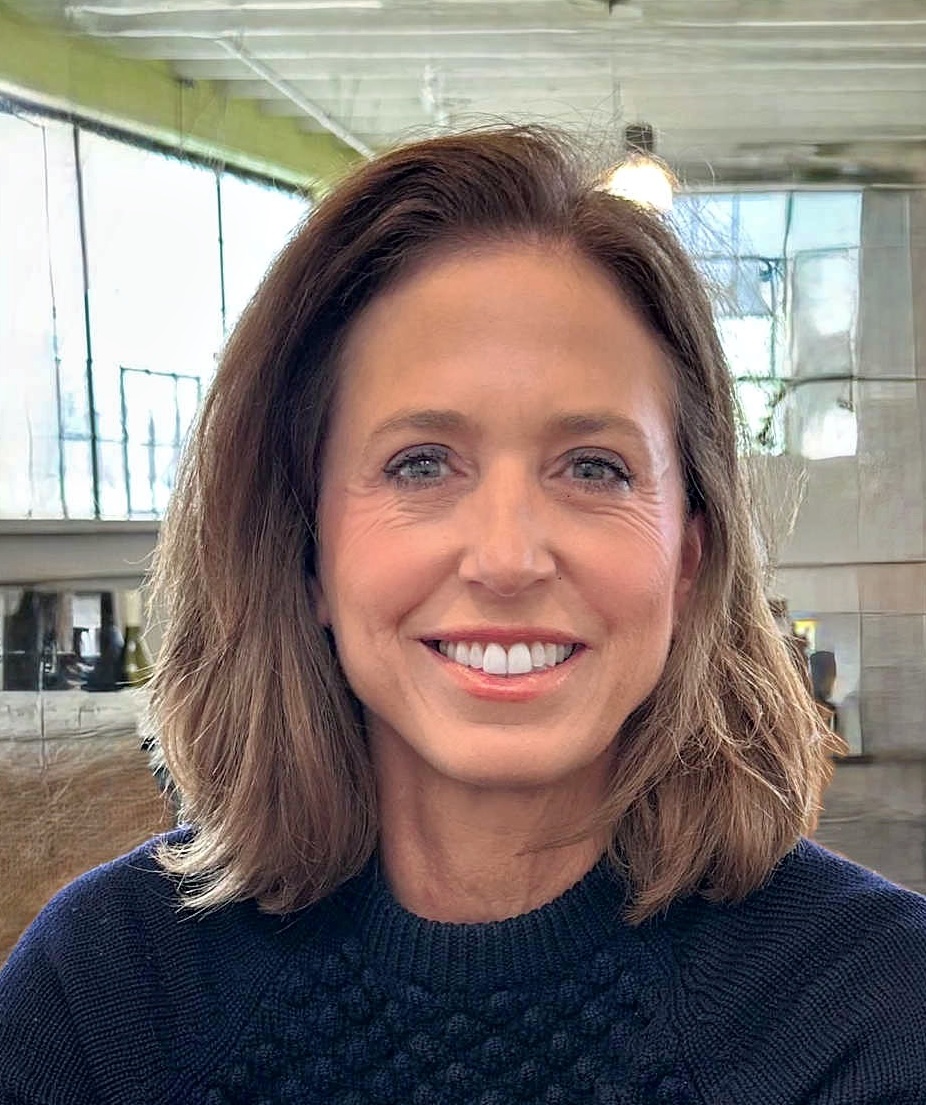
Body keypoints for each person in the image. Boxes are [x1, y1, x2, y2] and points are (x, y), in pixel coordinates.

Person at [1, 126, 925, 1104]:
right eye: (420, 463)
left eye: (593, 468)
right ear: (304, 547)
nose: (508, 557)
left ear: (687, 557)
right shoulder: (106, 991)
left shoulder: (874, 1012)